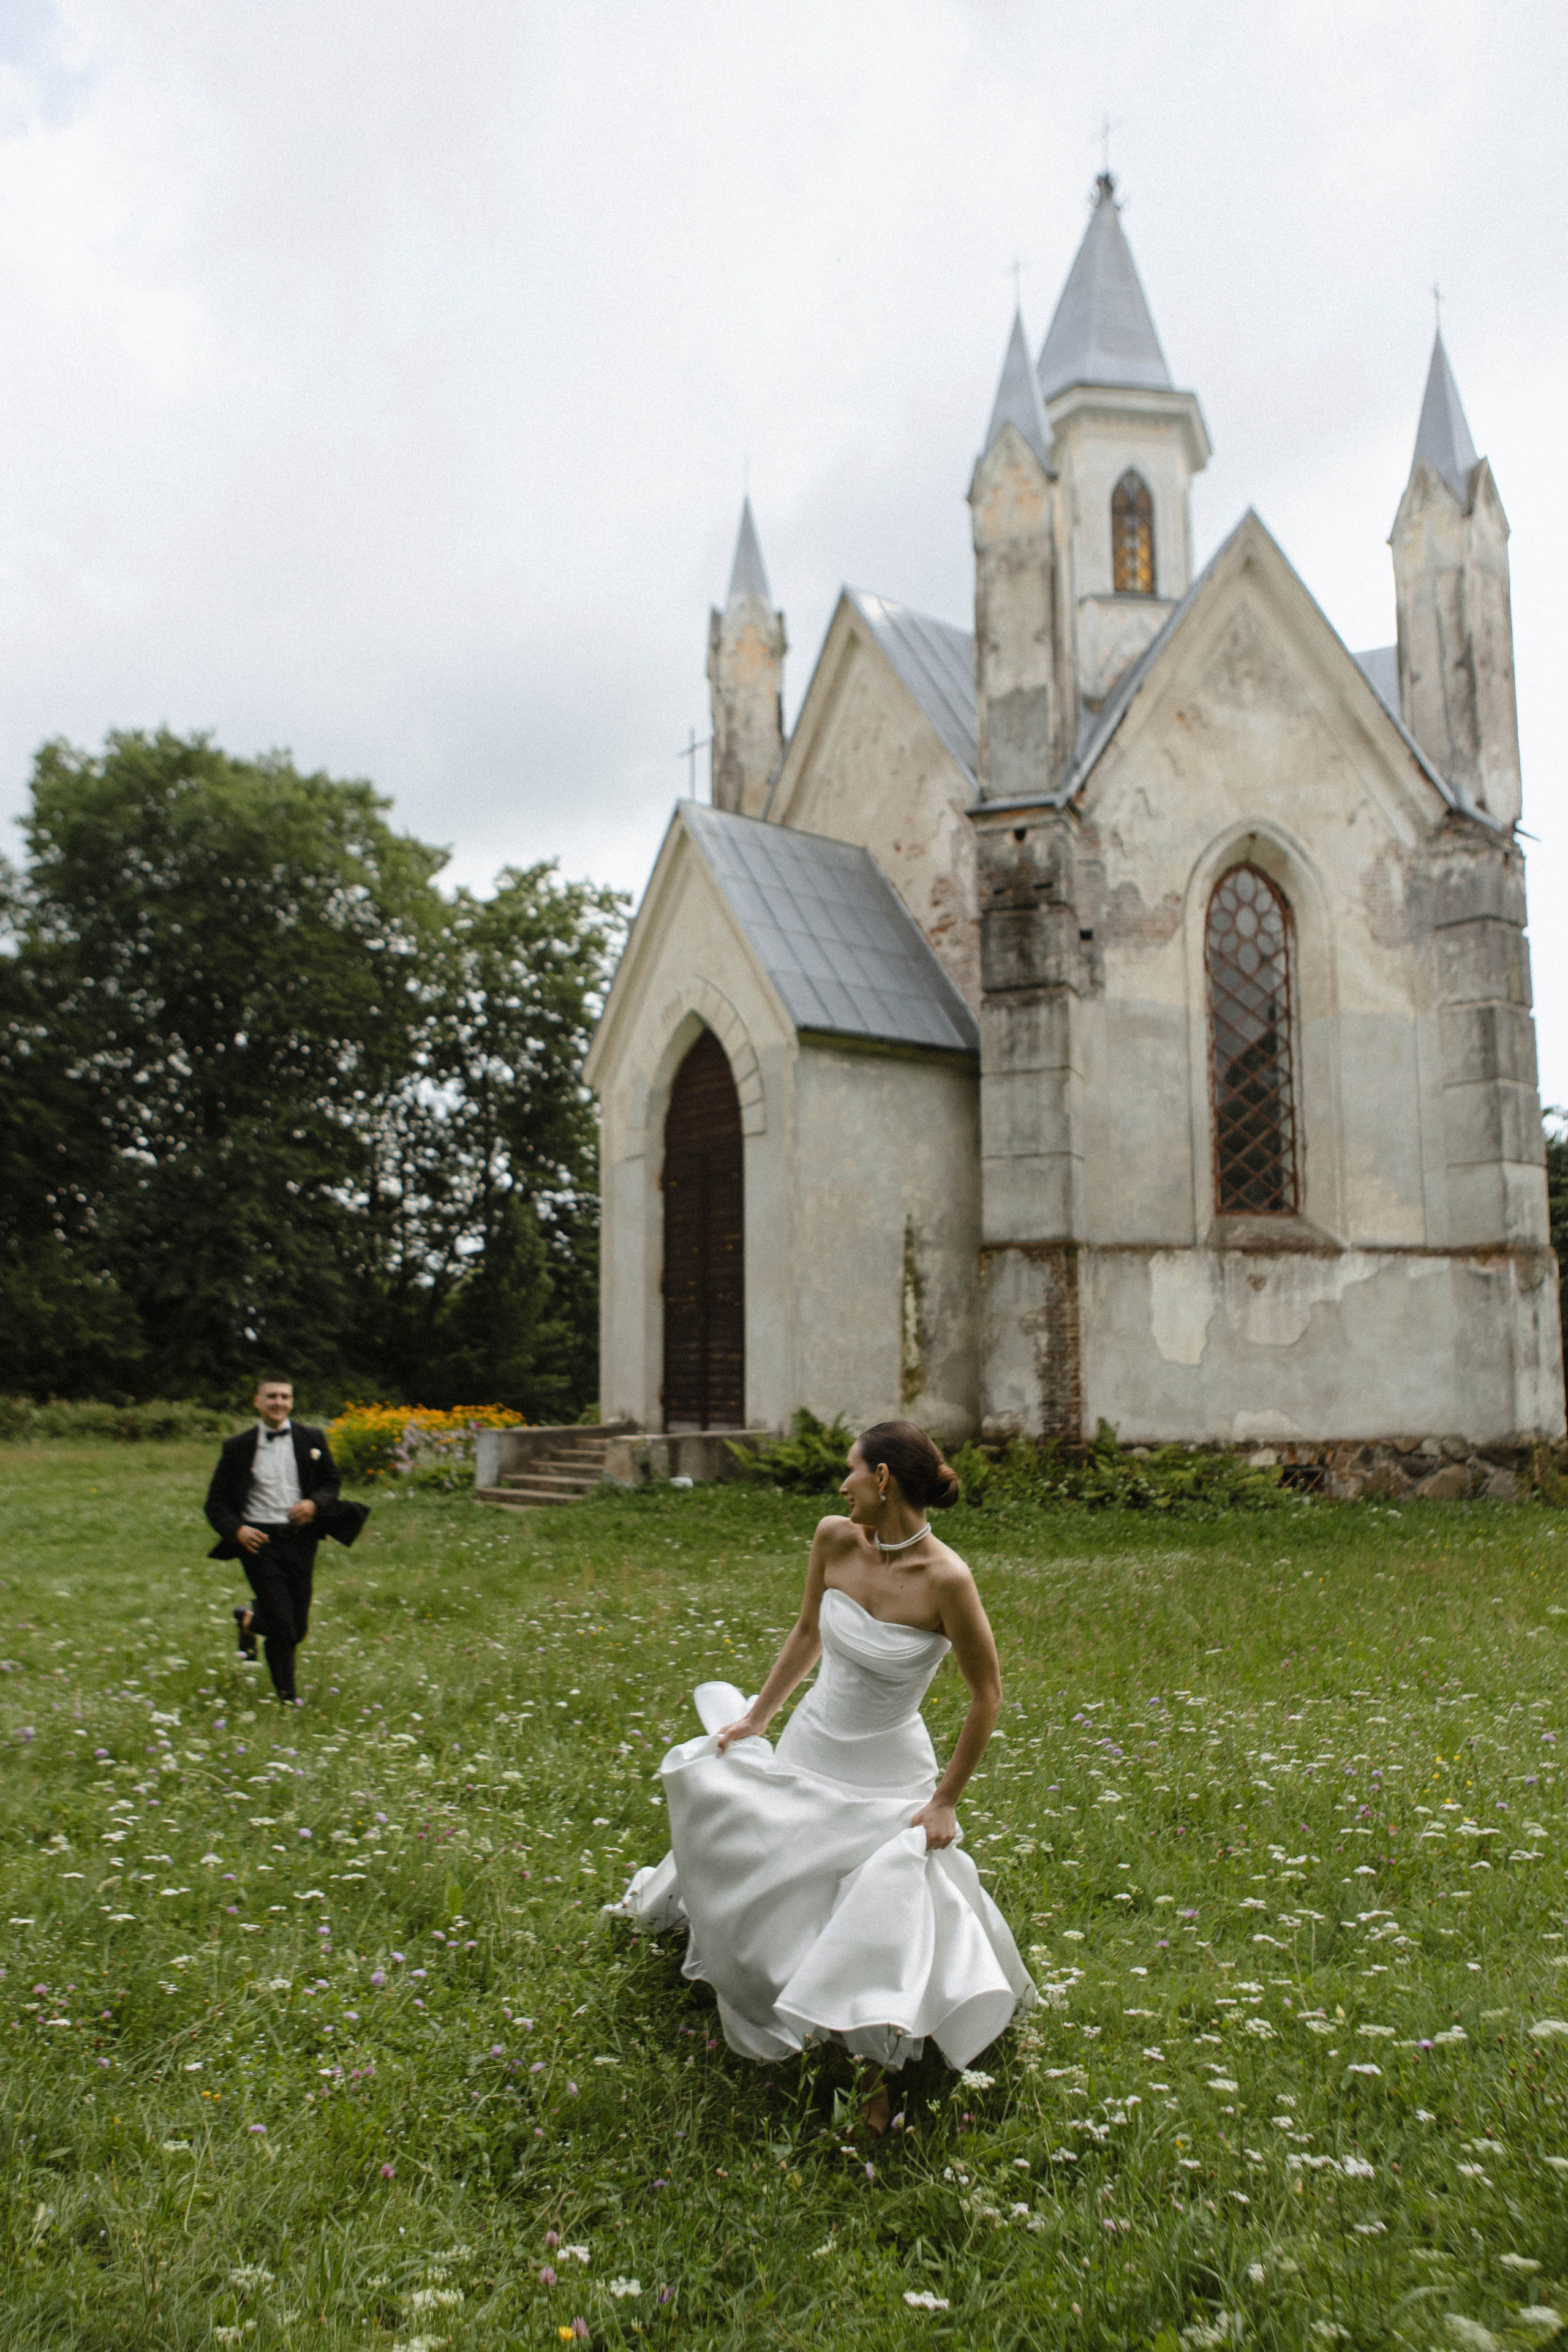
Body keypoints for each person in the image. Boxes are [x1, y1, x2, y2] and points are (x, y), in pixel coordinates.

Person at [606, 1418, 1036, 2130]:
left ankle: (872, 2075)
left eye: (851, 1470)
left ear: (883, 1479)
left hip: (888, 1768)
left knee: (876, 1909)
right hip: (812, 1744)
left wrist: (944, 1800)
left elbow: (986, 1696)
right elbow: (807, 1631)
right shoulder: (834, 1538)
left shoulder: (947, 1580)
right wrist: (758, 1718)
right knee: (780, 1879)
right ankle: (756, 1973)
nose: (842, 1486)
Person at [204, 1376, 363, 1706]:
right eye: (271, 1397)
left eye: (285, 1397)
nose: (278, 1402)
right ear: (258, 1402)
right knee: (282, 1624)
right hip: (259, 1543)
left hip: (302, 1540)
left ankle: (248, 1620)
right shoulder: (238, 1447)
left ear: (291, 1401)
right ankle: (287, 1699)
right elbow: (216, 1503)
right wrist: (238, 1531)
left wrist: (314, 1504)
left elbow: (331, 1483)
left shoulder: (312, 1439)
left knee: (298, 1628)